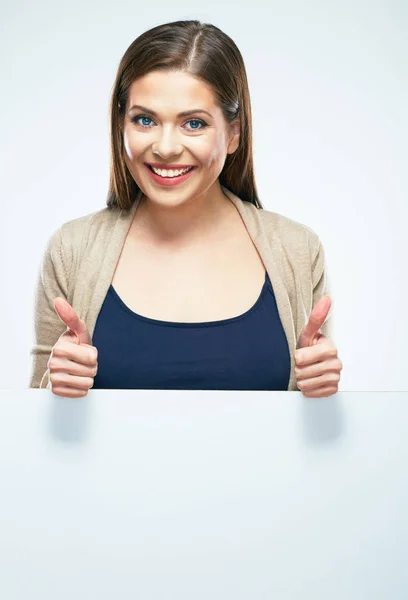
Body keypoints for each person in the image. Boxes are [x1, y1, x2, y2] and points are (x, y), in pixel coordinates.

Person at [29, 19, 343, 396]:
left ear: (234, 134)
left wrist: (321, 393)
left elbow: (315, 440)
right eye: (144, 120)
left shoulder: (297, 250)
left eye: (193, 124)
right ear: (120, 125)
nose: (165, 147)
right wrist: (55, 386)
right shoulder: (72, 251)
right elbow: (36, 427)